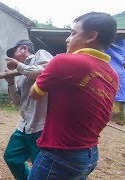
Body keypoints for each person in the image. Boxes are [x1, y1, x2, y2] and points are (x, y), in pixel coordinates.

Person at [29, 12, 119, 179]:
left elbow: (34, 94)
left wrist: (46, 73)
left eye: (73, 33)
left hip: (61, 155)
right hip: (89, 154)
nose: (67, 39)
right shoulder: (112, 74)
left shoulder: (63, 61)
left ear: (91, 36)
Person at [3, 39, 53, 180]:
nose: (12, 57)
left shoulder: (40, 55)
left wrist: (18, 65)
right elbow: (18, 103)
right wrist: (11, 83)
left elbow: (47, 72)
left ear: (24, 49)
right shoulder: (20, 75)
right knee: (11, 157)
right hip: (24, 126)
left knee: (41, 168)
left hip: (42, 126)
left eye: (14, 53)